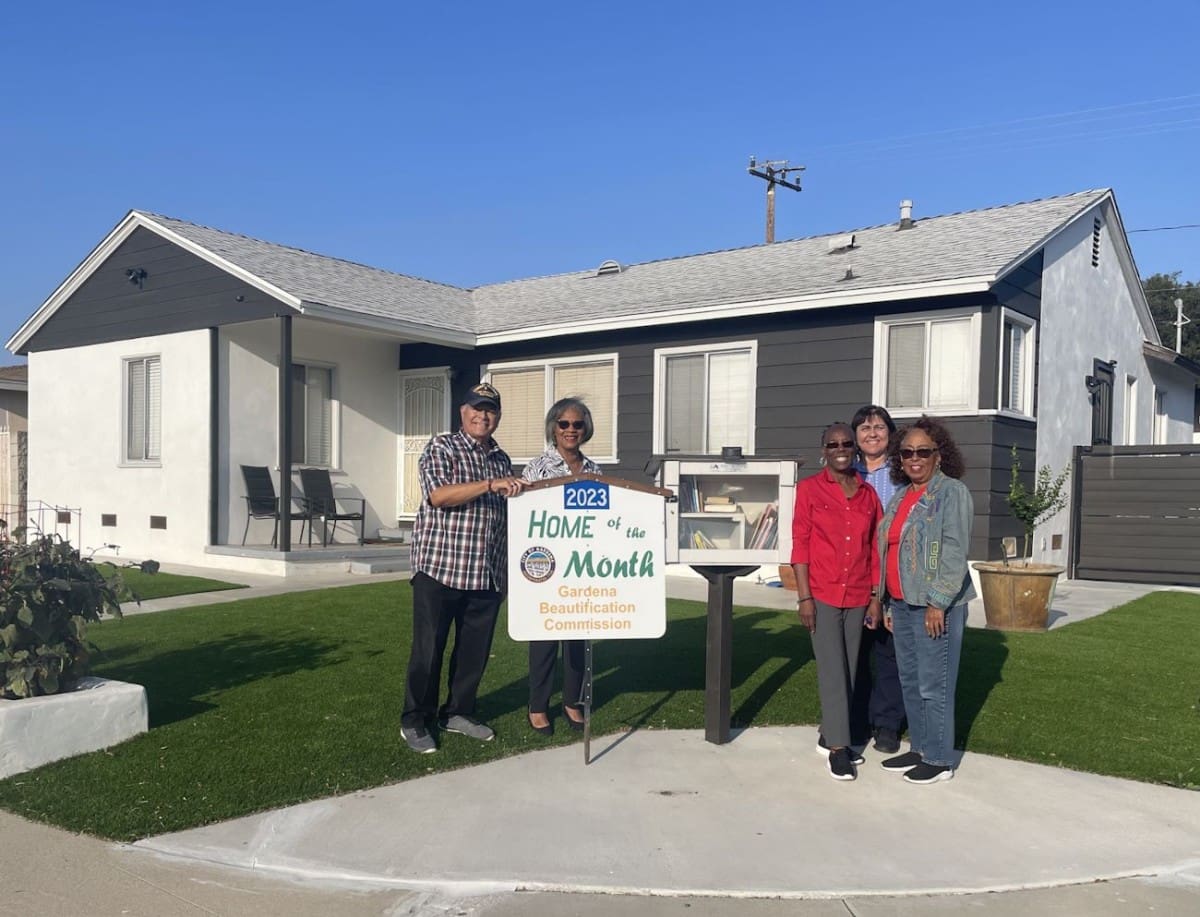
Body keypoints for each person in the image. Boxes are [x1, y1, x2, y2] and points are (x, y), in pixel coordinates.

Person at [400, 382, 526, 754]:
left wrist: (506, 573)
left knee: (473, 653)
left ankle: (458, 712)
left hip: (485, 573)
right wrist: (489, 484)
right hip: (440, 568)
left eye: (490, 410)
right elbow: (439, 496)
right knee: (428, 651)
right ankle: (415, 720)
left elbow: (506, 518)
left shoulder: (501, 459)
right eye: (477, 408)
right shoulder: (443, 447)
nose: (482, 416)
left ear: (498, 417)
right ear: (463, 411)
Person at [877, 416, 976, 784]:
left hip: (935, 605)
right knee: (911, 681)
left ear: (939, 455)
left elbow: (954, 550)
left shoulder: (951, 493)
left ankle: (938, 759)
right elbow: (891, 550)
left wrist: (938, 602)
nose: (914, 458)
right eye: (907, 453)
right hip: (902, 603)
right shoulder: (902, 495)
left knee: (935, 685)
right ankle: (919, 748)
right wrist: (889, 603)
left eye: (923, 452)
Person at [791, 423, 883, 781]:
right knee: (832, 670)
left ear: (854, 449)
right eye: (833, 444)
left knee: (851, 669)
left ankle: (830, 732)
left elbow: (874, 550)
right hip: (823, 593)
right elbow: (800, 545)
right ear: (824, 450)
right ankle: (838, 750)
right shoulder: (809, 490)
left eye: (846, 443)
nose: (841, 449)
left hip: (858, 593)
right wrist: (804, 597)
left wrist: (875, 598)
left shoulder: (867, 495)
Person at [521, 397, 603, 736]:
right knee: (544, 639)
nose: (571, 430)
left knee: (578, 639)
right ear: (554, 428)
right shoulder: (537, 468)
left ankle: (572, 701)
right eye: (564, 424)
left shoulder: (595, 471)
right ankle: (538, 706)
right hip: (546, 566)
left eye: (577, 424)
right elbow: (525, 515)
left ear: (585, 429)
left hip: (582, 567)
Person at [849, 404, 905, 755]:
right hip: (856, 574)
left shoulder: (901, 473)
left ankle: (887, 723)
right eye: (865, 428)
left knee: (889, 652)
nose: (872, 434)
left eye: (879, 427)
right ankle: (854, 719)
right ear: (855, 437)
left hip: (892, 572)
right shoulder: (847, 472)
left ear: (890, 433)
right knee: (854, 652)